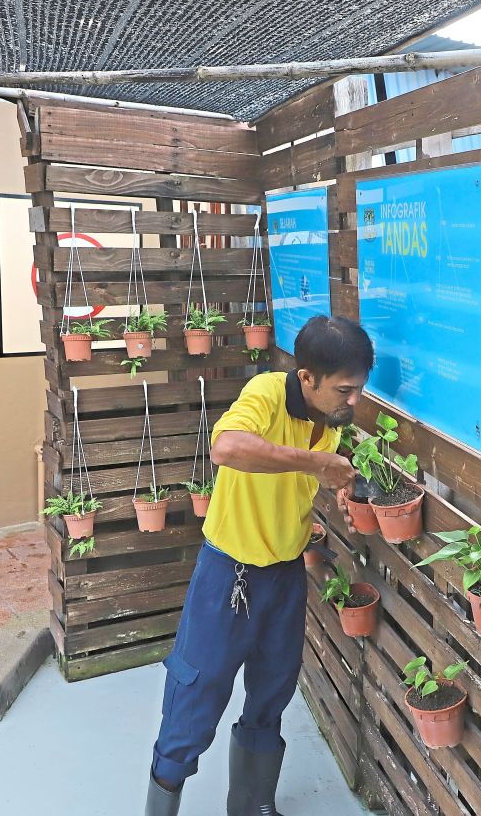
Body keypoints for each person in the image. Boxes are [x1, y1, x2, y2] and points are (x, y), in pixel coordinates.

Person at [145, 315, 374, 816]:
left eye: (359, 390)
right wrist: (316, 464)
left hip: (285, 576)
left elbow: (290, 481)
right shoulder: (267, 393)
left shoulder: (328, 421)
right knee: (195, 696)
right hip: (229, 575)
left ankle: (251, 806)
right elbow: (227, 448)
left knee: (273, 689)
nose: (353, 401)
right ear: (307, 377)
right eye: (345, 390)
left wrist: (332, 502)